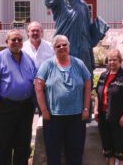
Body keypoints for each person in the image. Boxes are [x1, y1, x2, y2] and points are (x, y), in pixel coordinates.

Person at [35, 35, 92, 165]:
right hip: (53, 117)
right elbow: (38, 88)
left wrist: (86, 108)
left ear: (69, 46)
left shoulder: (79, 63)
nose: (62, 47)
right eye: (58, 46)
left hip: (76, 117)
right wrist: (44, 110)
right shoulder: (47, 65)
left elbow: (88, 86)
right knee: (53, 154)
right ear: (53, 49)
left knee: (75, 154)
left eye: (64, 45)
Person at [0, 29, 37, 165]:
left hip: (26, 107)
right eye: (13, 39)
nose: (16, 42)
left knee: (23, 143)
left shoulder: (28, 58)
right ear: (6, 42)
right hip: (6, 107)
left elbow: (35, 80)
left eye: (19, 39)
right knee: (4, 144)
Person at [94, 49, 123, 165]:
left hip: (120, 119)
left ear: (120, 61)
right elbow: (97, 93)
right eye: (110, 60)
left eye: (115, 60)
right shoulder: (103, 76)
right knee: (109, 149)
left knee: (120, 149)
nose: (112, 62)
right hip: (104, 117)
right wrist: (96, 109)